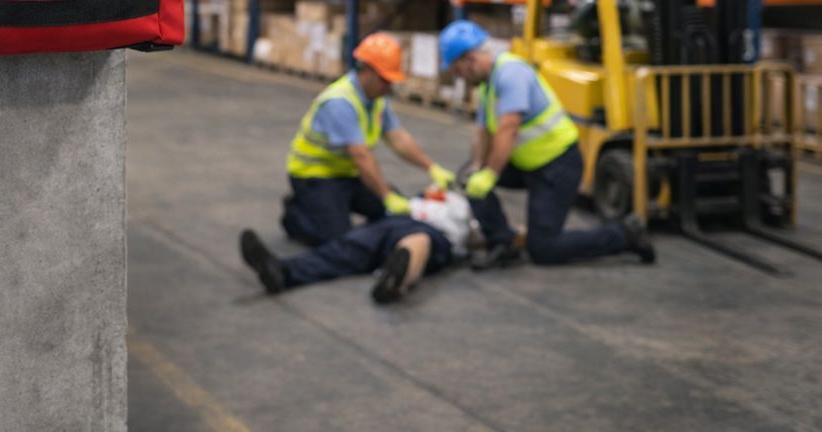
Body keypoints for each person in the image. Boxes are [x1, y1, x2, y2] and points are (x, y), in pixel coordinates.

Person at [438, 20, 656, 270]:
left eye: (456, 70)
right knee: (469, 177)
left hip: (557, 167)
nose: (457, 77)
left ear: (470, 58)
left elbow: (508, 127)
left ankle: (626, 234)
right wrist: (477, 167)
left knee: (544, 248)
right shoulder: (488, 86)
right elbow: (482, 132)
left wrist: (490, 174)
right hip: (527, 164)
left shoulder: (511, 73)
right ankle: (503, 242)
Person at [281, 32, 457, 246]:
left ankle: (332, 209)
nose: (389, 86)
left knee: (395, 214)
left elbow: (398, 138)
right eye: (385, 80)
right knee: (336, 240)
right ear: (367, 70)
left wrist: (432, 168)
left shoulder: (376, 99)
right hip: (315, 176)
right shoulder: (340, 102)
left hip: (348, 174)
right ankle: (296, 215)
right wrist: (385, 195)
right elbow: (361, 156)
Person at [243, 189, 475, 304]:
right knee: (346, 247)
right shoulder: (419, 198)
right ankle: (282, 271)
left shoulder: (468, 208)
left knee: (417, 243)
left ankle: (395, 281)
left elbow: (494, 234)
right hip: (391, 222)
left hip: (435, 234)